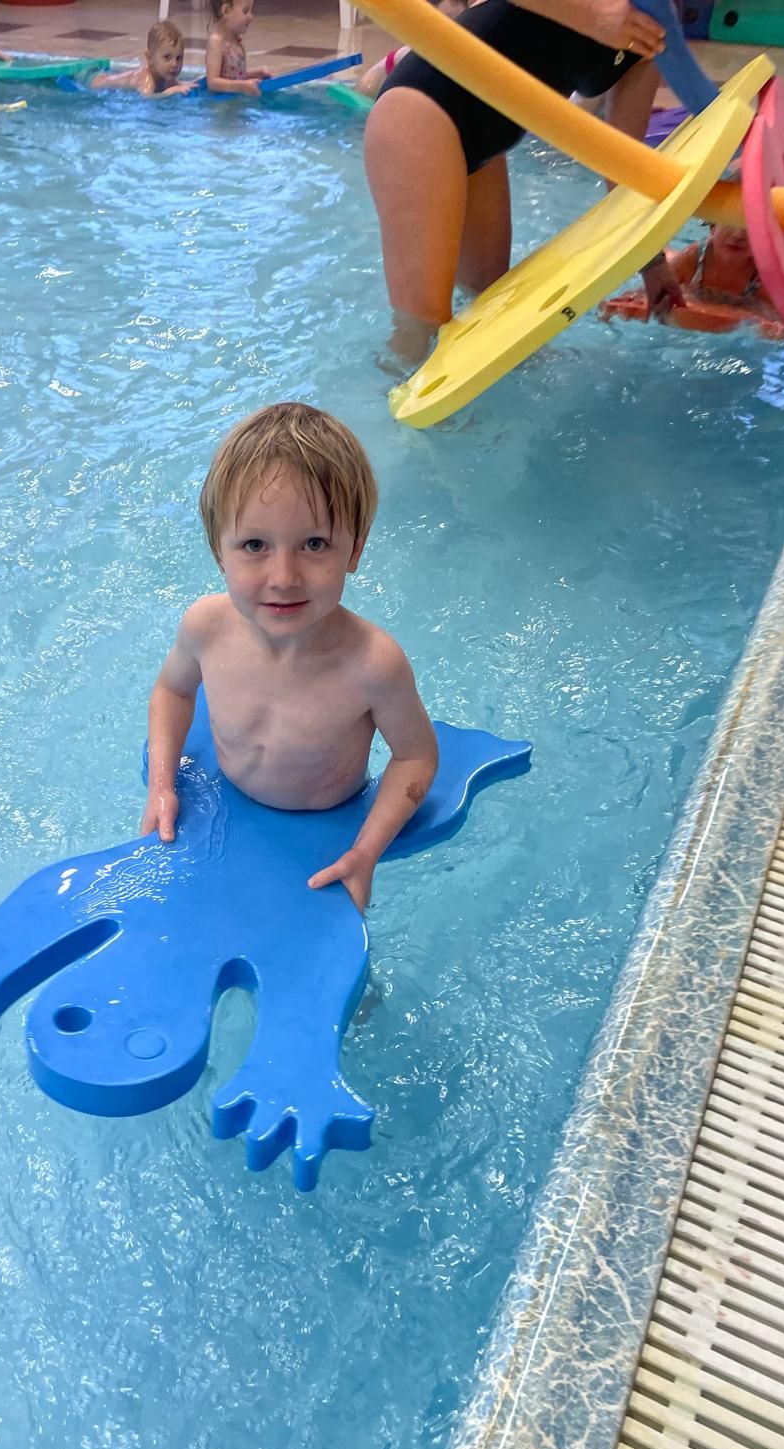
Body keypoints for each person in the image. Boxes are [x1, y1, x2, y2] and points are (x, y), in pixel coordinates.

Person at [141, 403, 440, 913]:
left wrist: (365, 851)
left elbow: (416, 757)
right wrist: (162, 788)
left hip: (327, 828)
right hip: (226, 803)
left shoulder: (373, 665)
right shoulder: (206, 627)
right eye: (255, 544)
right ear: (218, 551)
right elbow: (172, 691)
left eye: (314, 544)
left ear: (354, 551)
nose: (284, 577)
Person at [363, 0, 683, 363]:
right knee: (422, 330)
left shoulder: (656, 24)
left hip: (484, 139)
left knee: (489, 304)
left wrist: (653, 264)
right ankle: (378, 400)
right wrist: (596, 16)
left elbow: (625, 166)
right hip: (419, 113)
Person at [91, 21, 195, 97]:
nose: (174, 64)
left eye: (179, 58)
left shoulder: (165, 77)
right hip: (96, 84)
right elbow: (147, 99)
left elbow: (177, 84)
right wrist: (171, 92)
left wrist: (186, 84)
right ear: (150, 58)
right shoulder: (147, 79)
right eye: (167, 57)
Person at [205, 0, 270, 97]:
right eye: (245, 11)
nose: (250, 17)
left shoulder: (236, 43)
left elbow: (234, 75)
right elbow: (212, 82)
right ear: (226, 11)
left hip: (235, 100)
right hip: (220, 104)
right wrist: (243, 86)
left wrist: (256, 74)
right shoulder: (216, 42)